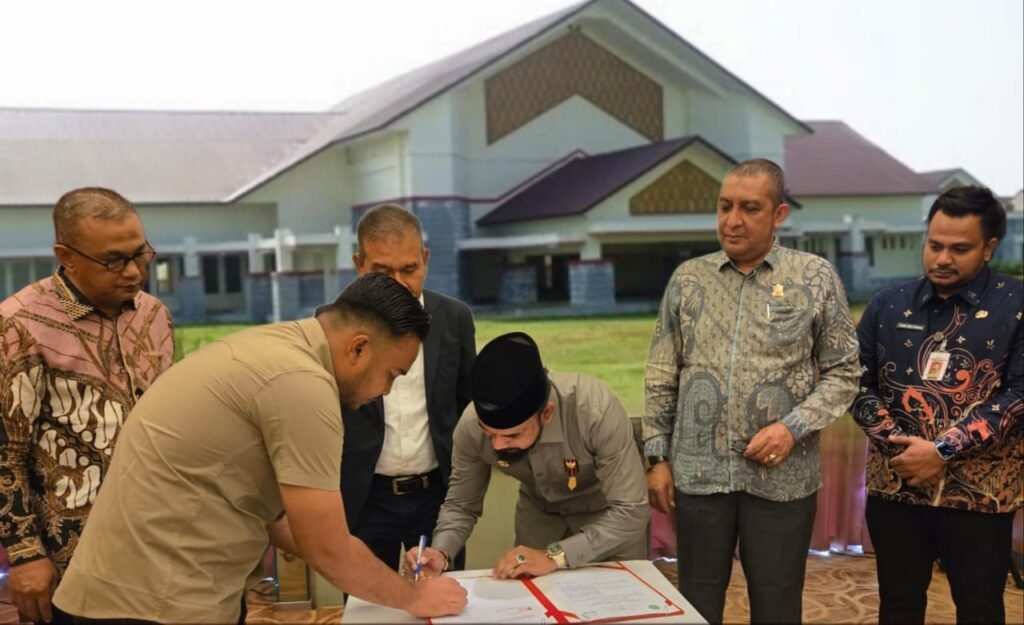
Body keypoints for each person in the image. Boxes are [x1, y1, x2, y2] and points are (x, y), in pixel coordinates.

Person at [52, 273, 468, 623]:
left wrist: (357, 561)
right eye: (391, 375)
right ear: (358, 347)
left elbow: (281, 521)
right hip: (151, 606)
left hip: (134, 594)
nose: (384, 393)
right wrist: (413, 598)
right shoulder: (302, 383)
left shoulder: (274, 348)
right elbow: (327, 547)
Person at [643, 159, 860, 624]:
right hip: (698, 476)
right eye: (724, 206)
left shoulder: (814, 277)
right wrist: (657, 457)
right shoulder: (688, 279)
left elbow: (844, 372)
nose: (732, 220)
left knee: (777, 602)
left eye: (749, 208)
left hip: (782, 480)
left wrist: (791, 428)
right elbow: (662, 371)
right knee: (697, 602)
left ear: (778, 214)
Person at [0, 187, 173, 623]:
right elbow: (5, 453)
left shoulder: (154, 315)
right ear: (67, 255)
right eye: (113, 260)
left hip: (160, 545)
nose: (133, 271)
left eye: (141, 253)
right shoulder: (19, 325)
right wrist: (24, 555)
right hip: (69, 560)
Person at [852, 185, 1022, 624]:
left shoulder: (1016, 304)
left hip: (979, 498)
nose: (942, 258)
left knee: (981, 608)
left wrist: (942, 450)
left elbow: (1018, 396)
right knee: (899, 605)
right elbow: (854, 383)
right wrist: (898, 446)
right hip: (897, 489)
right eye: (935, 245)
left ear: (989, 248)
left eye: (959, 248)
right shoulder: (887, 305)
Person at [408, 331, 649, 580]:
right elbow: (461, 505)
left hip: (609, 526)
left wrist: (554, 555)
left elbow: (631, 510)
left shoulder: (594, 410)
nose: (499, 445)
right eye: (489, 434)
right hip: (539, 522)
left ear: (546, 413)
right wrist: (441, 552)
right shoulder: (470, 428)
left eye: (512, 435)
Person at [340, 203, 475, 571]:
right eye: (382, 271)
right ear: (359, 265)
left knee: (443, 599)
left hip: (436, 496)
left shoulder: (454, 318)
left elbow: (467, 405)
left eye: (410, 269)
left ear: (425, 259)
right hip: (363, 499)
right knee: (369, 606)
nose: (398, 283)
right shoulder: (334, 324)